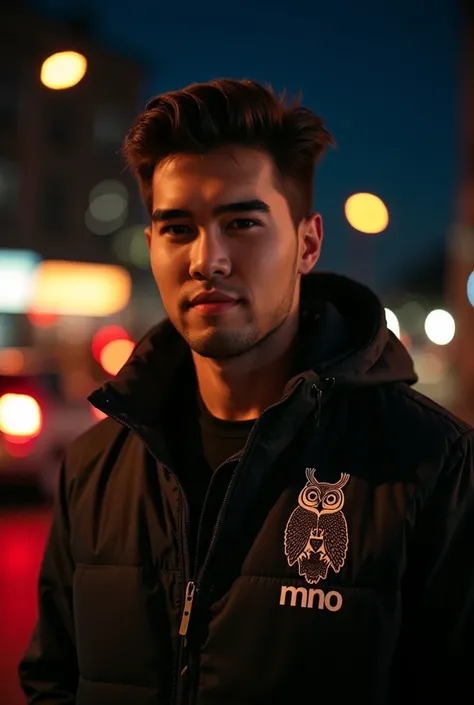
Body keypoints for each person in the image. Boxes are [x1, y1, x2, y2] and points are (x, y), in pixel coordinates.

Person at [19, 78, 474, 705]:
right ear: (151, 246)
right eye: (178, 228)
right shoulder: (96, 465)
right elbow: (52, 683)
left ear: (307, 244)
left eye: (242, 223)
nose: (210, 259)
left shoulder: (431, 464)